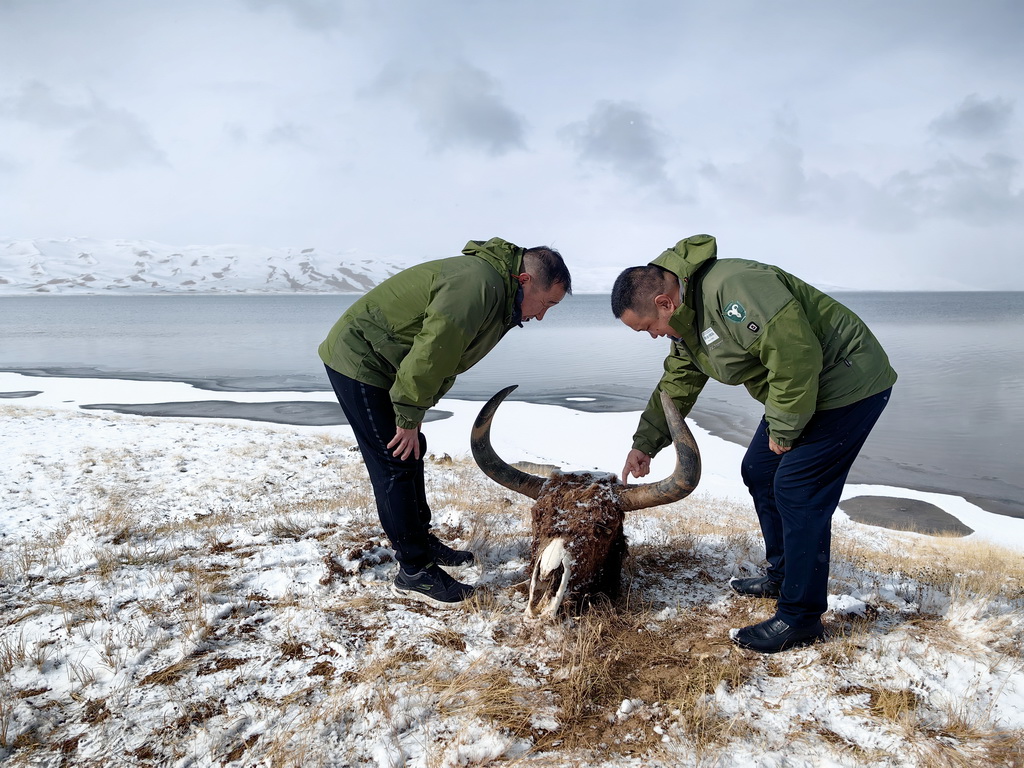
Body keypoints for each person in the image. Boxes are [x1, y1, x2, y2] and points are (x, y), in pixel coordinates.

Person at [611, 234, 896, 653]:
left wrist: (783, 429)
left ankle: (800, 617)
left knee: (798, 489)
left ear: (664, 303)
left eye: (648, 328)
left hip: (847, 384)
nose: (653, 336)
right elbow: (678, 382)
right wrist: (646, 442)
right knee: (759, 471)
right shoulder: (687, 324)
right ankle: (783, 574)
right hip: (803, 392)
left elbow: (796, 356)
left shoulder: (735, 287)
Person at [319, 237, 571, 606]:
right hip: (362, 360)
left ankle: (419, 541)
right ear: (524, 280)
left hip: (389, 362)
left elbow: (449, 357)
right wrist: (407, 413)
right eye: (546, 303)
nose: (541, 315)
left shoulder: (498, 293)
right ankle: (414, 571)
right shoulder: (478, 285)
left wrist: (414, 412)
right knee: (394, 460)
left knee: (411, 450)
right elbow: (433, 350)